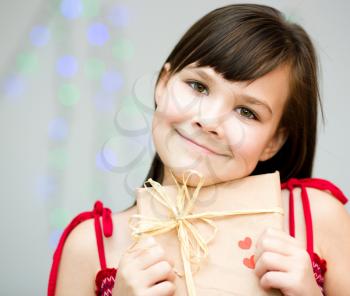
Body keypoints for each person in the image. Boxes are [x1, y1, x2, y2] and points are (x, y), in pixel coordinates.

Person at [47, 3, 350, 296]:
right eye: (198, 86)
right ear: (163, 84)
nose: (209, 121)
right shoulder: (92, 246)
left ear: (274, 141)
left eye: (247, 112)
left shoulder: (318, 218)